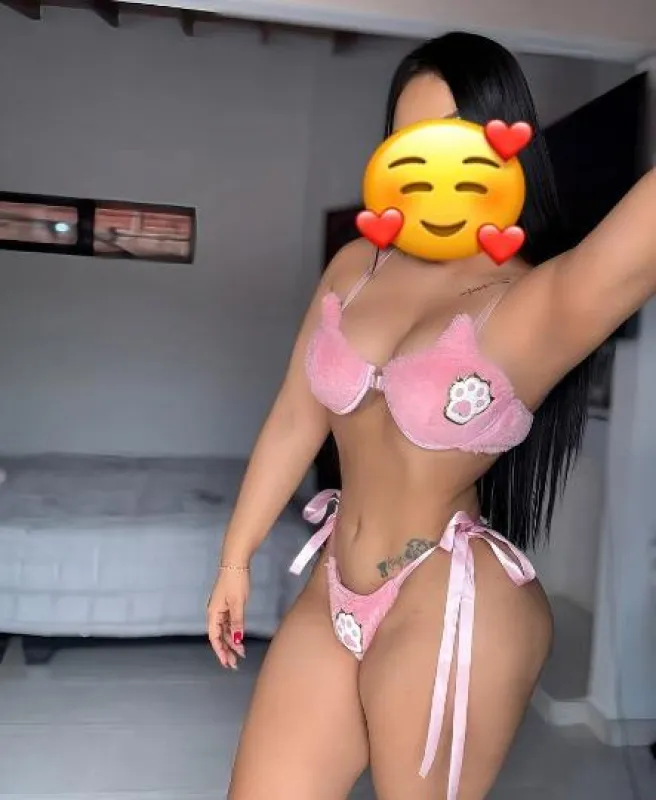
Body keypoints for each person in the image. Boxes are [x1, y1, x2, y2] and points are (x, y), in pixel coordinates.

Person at [207, 31, 656, 800]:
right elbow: (295, 416)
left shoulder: (536, 303)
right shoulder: (356, 266)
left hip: (451, 604)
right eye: (410, 141)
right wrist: (234, 557)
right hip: (334, 586)